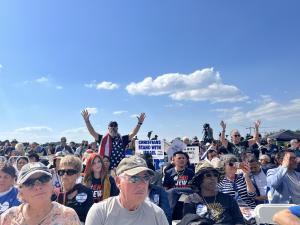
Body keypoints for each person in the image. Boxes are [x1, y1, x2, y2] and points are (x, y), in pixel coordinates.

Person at [85, 155, 169, 225]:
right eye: (134, 178)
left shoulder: (157, 214)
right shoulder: (100, 212)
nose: (142, 184)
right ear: (118, 182)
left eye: (146, 178)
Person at [0, 162, 81, 225]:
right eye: (29, 182)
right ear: (21, 192)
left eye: (43, 179)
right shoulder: (9, 217)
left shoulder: (68, 216)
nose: (38, 186)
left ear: (52, 186)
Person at [57, 155, 94, 223]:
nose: (64, 175)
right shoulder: (54, 193)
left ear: (77, 175)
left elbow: (89, 218)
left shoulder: (86, 192)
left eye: (69, 172)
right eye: (62, 172)